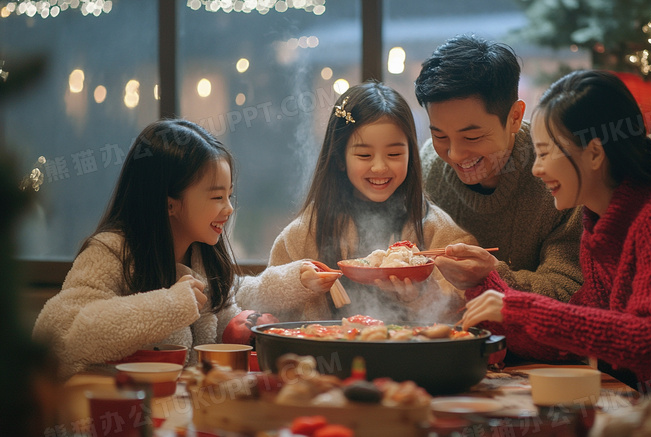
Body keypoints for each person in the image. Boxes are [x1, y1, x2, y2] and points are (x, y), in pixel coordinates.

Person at [450, 70, 651, 388]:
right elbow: (573, 335)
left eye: (546, 153)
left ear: (594, 152)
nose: (536, 169)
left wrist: (518, 308)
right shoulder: (600, 225)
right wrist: (488, 293)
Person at [236, 81, 476, 323]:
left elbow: (469, 310)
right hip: (326, 357)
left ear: (411, 156)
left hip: (410, 357)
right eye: (364, 155)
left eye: (394, 154)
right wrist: (296, 281)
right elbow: (250, 300)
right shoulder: (307, 231)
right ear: (340, 158)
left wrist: (424, 298)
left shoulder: (435, 229)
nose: (380, 167)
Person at [32, 119, 252, 379]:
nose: (229, 208)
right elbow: (69, 337)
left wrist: (260, 326)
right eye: (217, 197)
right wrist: (169, 304)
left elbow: (227, 318)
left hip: (181, 409)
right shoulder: (111, 252)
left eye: (229, 195)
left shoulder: (203, 254)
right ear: (170, 204)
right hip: (119, 409)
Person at [414, 34, 583, 302]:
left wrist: (494, 277)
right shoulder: (428, 168)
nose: (455, 154)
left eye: (472, 137)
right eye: (440, 136)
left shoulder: (559, 176)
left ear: (515, 117)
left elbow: (571, 290)